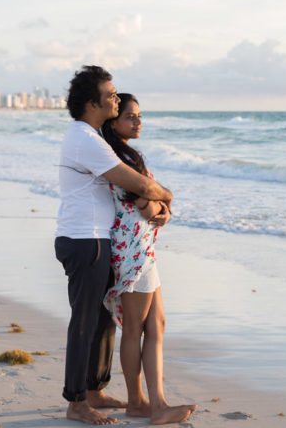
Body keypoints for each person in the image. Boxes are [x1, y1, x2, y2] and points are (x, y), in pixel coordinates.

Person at [54, 66, 174, 425]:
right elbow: (138, 185)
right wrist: (167, 196)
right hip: (84, 239)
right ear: (92, 103)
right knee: (86, 320)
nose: (116, 98)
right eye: (111, 94)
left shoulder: (89, 136)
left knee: (104, 321)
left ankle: (94, 389)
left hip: (96, 237)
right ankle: (76, 402)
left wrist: (159, 203)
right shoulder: (86, 141)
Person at [100, 94, 197, 424]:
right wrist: (163, 206)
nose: (138, 122)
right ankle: (145, 404)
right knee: (135, 329)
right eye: (130, 116)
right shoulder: (117, 156)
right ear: (114, 121)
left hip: (139, 248)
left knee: (155, 325)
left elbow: (151, 196)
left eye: (139, 116)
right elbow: (145, 199)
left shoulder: (122, 153)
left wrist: (163, 207)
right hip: (132, 250)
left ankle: (149, 402)